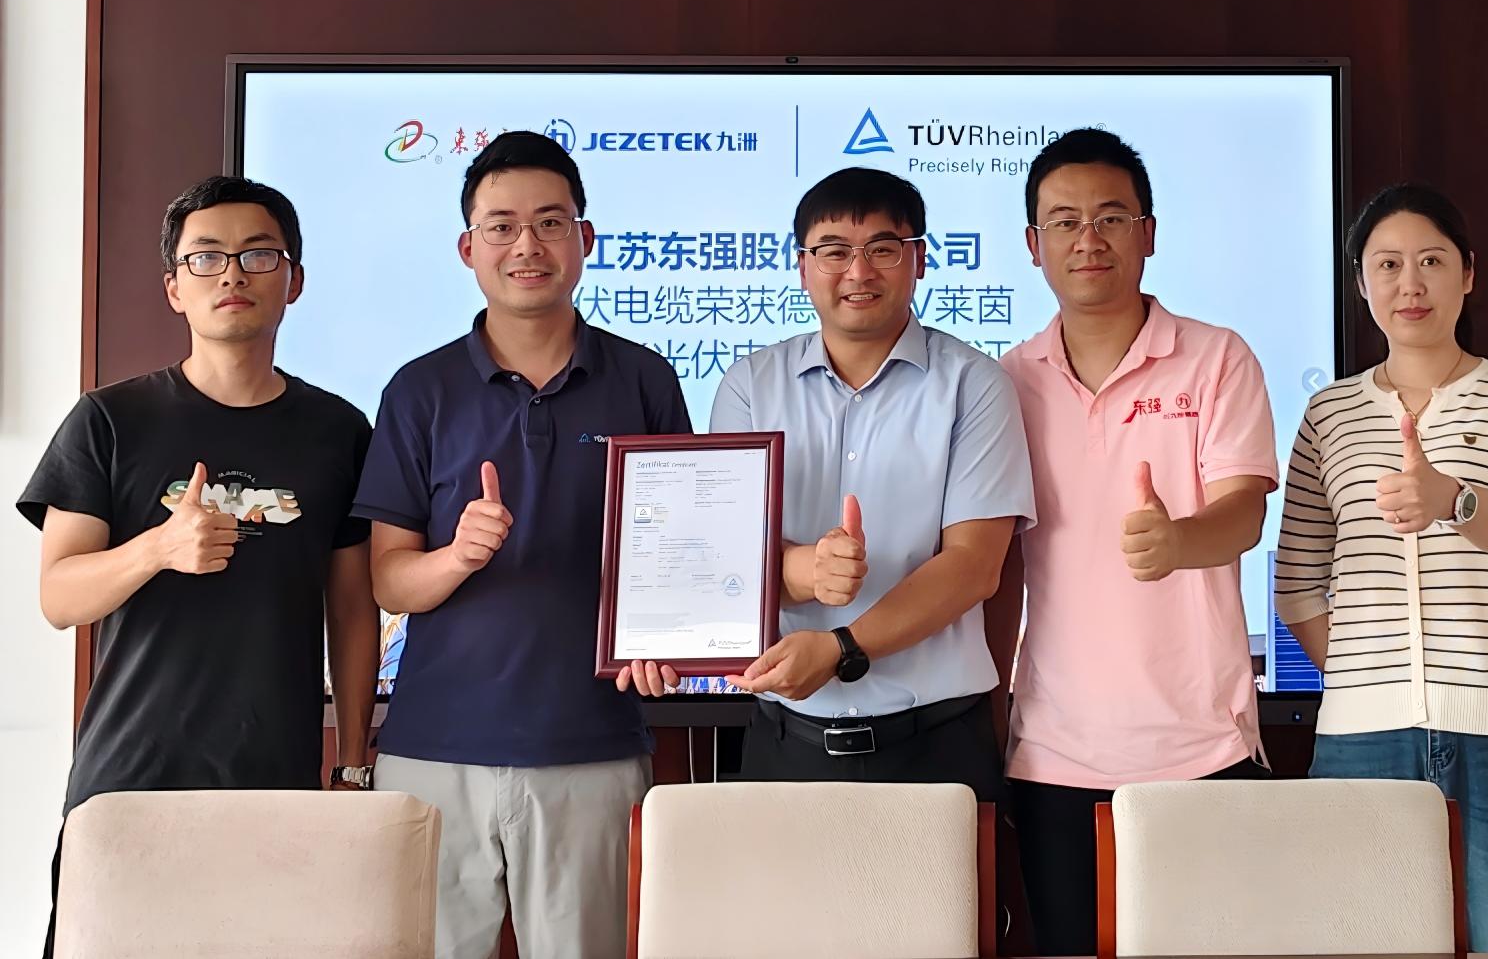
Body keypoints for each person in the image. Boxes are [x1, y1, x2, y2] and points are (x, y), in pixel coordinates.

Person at [17, 176, 379, 957]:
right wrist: (157, 547)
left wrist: (352, 765)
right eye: (206, 257)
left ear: (294, 280)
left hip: (275, 785)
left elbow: (354, 611)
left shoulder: (339, 430)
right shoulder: (109, 420)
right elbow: (59, 596)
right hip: (128, 784)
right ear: (174, 288)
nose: (232, 275)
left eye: (259, 255)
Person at [353, 130, 692, 958]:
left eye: (550, 222)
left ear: (585, 238)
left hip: (592, 747)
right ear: (468, 247)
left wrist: (667, 638)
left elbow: (681, 555)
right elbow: (390, 582)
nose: (527, 246)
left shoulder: (644, 379)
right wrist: (458, 556)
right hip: (435, 752)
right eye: (501, 226)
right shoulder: (419, 389)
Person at [624, 167, 1035, 805]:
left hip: (936, 742)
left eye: (883, 249)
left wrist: (842, 648)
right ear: (803, 266)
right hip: (786, 740)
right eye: (834, 251)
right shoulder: (749, 386)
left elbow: (974, 567)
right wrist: (797, 570)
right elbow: (721, 559)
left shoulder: (974, 385)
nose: (858, 271)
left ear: (920, 260)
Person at [989, 128, 1278, 954]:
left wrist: (1180, 540)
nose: (1089, 239)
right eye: (1065, 221)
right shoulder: (1005, 382)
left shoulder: (1216, 358)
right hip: (1053, 751)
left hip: (1201, 744)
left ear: (1148, 233)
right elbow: (999, 569)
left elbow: (1244, 514)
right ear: (1033, 245)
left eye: (1111, 218)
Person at [1275, 182, 1488, 954]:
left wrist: (1452, 499)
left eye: (1431, 261)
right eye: (1387, 265)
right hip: (1361, 739)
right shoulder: (1330, 414)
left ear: (1467, 272)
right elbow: (1298, 581)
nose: (1409, 284)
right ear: (1361, 283)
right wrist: (1364, 676)